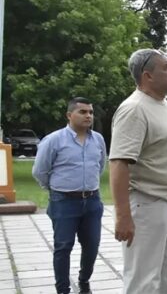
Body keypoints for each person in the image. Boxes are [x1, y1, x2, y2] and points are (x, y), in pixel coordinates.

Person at [110, 48, 167, 293]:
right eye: (166, 67)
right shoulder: (134, 108)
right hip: (147, 204)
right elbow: (119, 162)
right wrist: (123, 216)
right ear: (147, 75)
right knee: (143, 281)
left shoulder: (162, 105)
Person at [32, 97, 106, 294]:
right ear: (69, 115)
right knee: (63, 247)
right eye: (82, 112)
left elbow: (100, 166)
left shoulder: (98, 139)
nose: (88, 116)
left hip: (92, 201)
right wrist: (55, 189)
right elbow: (40, 170)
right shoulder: (54, 140)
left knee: (92, 246)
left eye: (90, 112)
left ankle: (84, 281)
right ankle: (63, 289)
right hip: (64, 201)